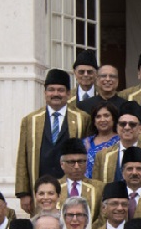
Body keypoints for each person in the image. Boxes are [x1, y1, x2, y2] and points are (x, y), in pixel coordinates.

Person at [16, 69, 91, 215]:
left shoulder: (82, 118)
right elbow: (22, 158)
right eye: (51, 90)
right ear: (45, 93)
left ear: (69, 94)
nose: (56, 94)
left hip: (72, 187)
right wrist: (23, 193)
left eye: (61, 90)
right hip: (41, 190)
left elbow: (88, 155)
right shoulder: (30, 120)